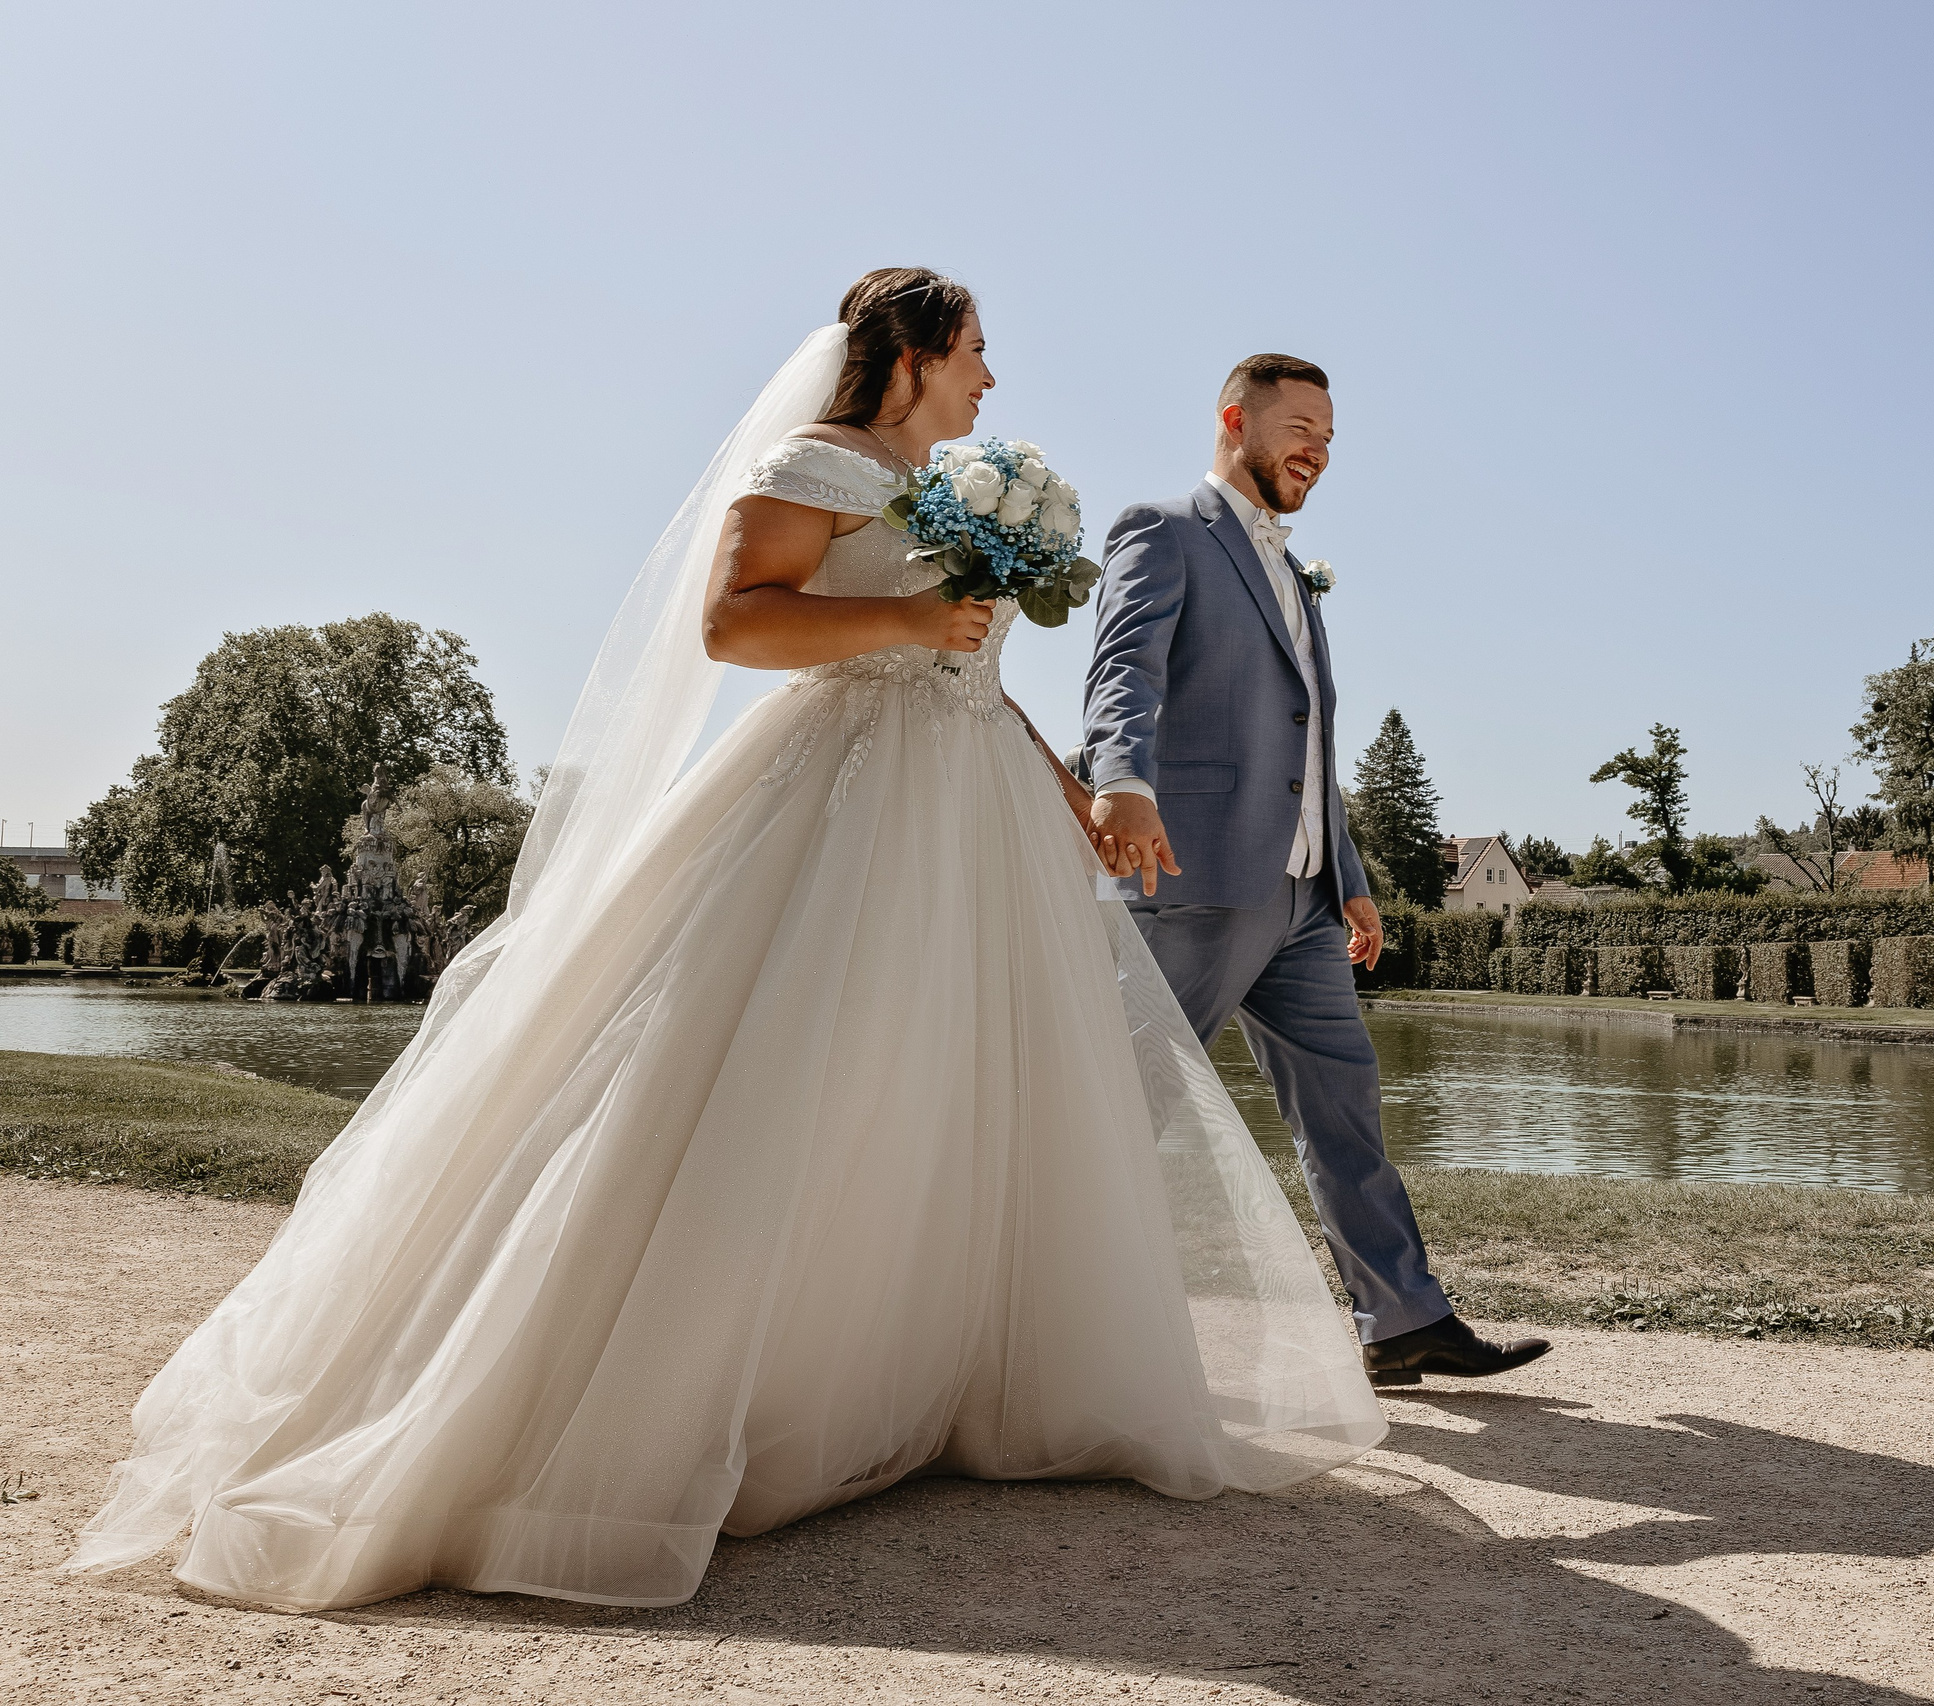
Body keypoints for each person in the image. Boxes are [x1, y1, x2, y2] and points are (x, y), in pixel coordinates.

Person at [59, 271, 1382, 1613]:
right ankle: (692, 1395)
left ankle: (901, 1377)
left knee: (932, 1095)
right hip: (843, 800)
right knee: (791, 1078)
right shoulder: (815, 461)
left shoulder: (945, 491)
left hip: (969, 811)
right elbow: (735, 617)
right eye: (976, 352)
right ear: (913, 356)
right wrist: (908, 618)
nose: (991, 378)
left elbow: (976, 675)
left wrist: (1074, 799)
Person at [1081, 355, 1552, 1388]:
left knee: (1346, 1110)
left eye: (1329, 438)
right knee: (1118, 1104)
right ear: (1233, 420)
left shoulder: (1296, 576)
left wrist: (1350, 875)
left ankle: (1402, 1320)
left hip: (1301, 901)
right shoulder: (1163, 529)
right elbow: (1124, 669)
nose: (1318, 451)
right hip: (1194, 875)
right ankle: (1040, 1319)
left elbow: (1310, 743)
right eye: (1300, 427)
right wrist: (1120, 778)